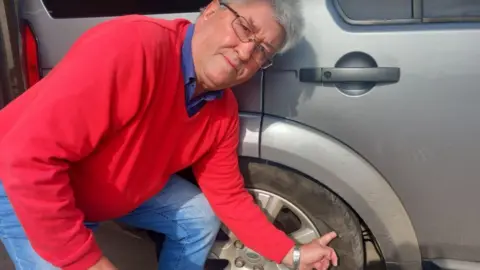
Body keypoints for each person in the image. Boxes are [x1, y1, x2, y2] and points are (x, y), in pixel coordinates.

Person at [0, 0, 339, 269]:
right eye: (245, 27)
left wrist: (290, 254)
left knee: (199, 216)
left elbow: (227, 195)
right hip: (21, 186)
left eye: (263, 50)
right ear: (210, 11)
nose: (246, 51)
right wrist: (86, 261)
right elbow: (28, 160)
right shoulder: (133, 48)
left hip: (109, 187)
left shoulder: (221, 111)